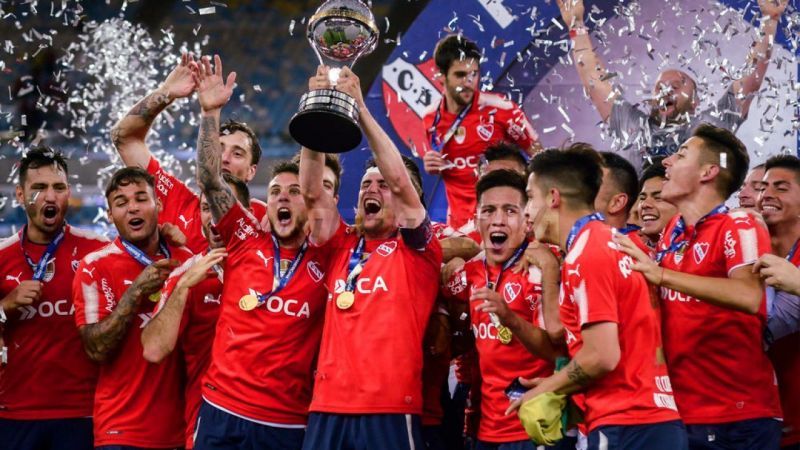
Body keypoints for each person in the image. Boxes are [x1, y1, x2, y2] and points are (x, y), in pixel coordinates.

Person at [190, 55, 336, 450]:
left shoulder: (330, 256)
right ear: (264, 203)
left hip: (285, 423)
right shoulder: (242, 237)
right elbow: (210, 179)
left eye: (293, 193)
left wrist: (319, 109)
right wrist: (210, 113)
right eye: (275, 193)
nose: (283, 199)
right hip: (220, 410)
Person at [299, 64, 442, 450]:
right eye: (366, 184)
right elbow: (311, 193)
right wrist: (316, 114)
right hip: (327, 405)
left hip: (390, 407)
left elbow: (399, 180)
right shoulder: (341, 243)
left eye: (382, 184)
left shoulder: (420, 248)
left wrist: (360, 108)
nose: (373, 189)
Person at [613, 124, 783, 449]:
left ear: (708, 171)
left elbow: (748, 295)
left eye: (681, 154)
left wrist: (662, 276)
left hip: (738, 420)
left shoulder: (739, 224)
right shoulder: (673, 231)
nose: (667, 163)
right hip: (681, 414)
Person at [510, 145, 685, 450]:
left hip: (626, 423)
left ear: (553, 198)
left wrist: (547, 388)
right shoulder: (606, 241)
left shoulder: (587, 252)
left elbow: (603, 356)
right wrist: (565, 383)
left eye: (530, 196)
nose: (526, 209)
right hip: (645, 419)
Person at [556, 0, 789, 172]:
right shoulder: (633, 124)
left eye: (677, 85)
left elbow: (750, 79)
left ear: (696, 101)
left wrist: (770, 21)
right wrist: (576, 24)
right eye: (660, 87)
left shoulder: (711, 126)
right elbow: (594, 80)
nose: (666, 90)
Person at [442, 169, 562, 450]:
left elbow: (557, 352)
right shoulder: (469, 273)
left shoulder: (544, 266)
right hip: (485, 429)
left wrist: (510, 319)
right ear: (476, 219)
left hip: (536, 427)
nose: (498, 220)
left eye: (510, 210)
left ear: (526, 220)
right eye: (489, 210)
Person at [73, 167, 191, 449]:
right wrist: (135, 291)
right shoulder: (95, 266)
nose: (133, 208)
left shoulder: (186, 261)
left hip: (179, 431)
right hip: (121, 430)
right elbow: (96, 349)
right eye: (121, 202)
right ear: (111, 215)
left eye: (141, 198)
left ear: (158, 206)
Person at [0, 147, 108, 450]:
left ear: (68, 192)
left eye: (58, 187)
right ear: (20, 195)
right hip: (15, 413)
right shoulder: (2, 257)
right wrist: (6, 306)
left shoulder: (99, 252)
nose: (50, 196)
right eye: (39, 188)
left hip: (83, 412)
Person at [111, 52, 267, 253]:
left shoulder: (266, 217)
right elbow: (124, 138)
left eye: (237, 154)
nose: (223, 159)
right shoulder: (177, 203)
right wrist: (166, 92)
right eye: (217, 148)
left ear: (251, 171)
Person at [140, 173, 250, 450]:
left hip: (270, 422)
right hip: (208, 425)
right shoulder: (186, 275)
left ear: (245, 213)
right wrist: (183, 287)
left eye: (224, 203)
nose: (213, 213)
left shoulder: (273, 269)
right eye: (205, 206)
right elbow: (153, 350)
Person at [422, 34, 542, 234]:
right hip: (459, 226)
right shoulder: (430, 118)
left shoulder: (502, 109)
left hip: (500, 221)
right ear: (441, 76)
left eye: (474, 74)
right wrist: (432, 165)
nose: (469, 82)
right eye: (461, 75)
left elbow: (541, 160)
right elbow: (445, 165)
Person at [753, 155, 800, 449]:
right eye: (762, 187)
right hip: (755, 420)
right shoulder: (745, 255)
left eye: (781, 188)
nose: (766, 195)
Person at [636, 158, 677, 249]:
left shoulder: (696, 253)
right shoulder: (628, 257)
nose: (645, 204)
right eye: (642, 198)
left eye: (658, 198)